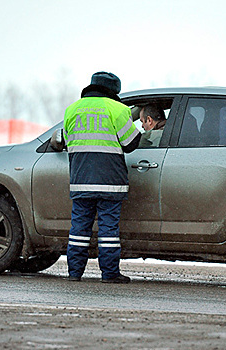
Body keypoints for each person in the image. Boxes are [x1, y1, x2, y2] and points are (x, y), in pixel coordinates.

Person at [63, 72, 141, 283]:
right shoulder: (117, 109)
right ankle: (109, 273)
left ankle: (74, 273)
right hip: (110, 182)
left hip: (81, 180)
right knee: (108, 230)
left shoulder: (72, 109)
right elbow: (131, 143)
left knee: (79, 229)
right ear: (114, 91)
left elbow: (65, 140)